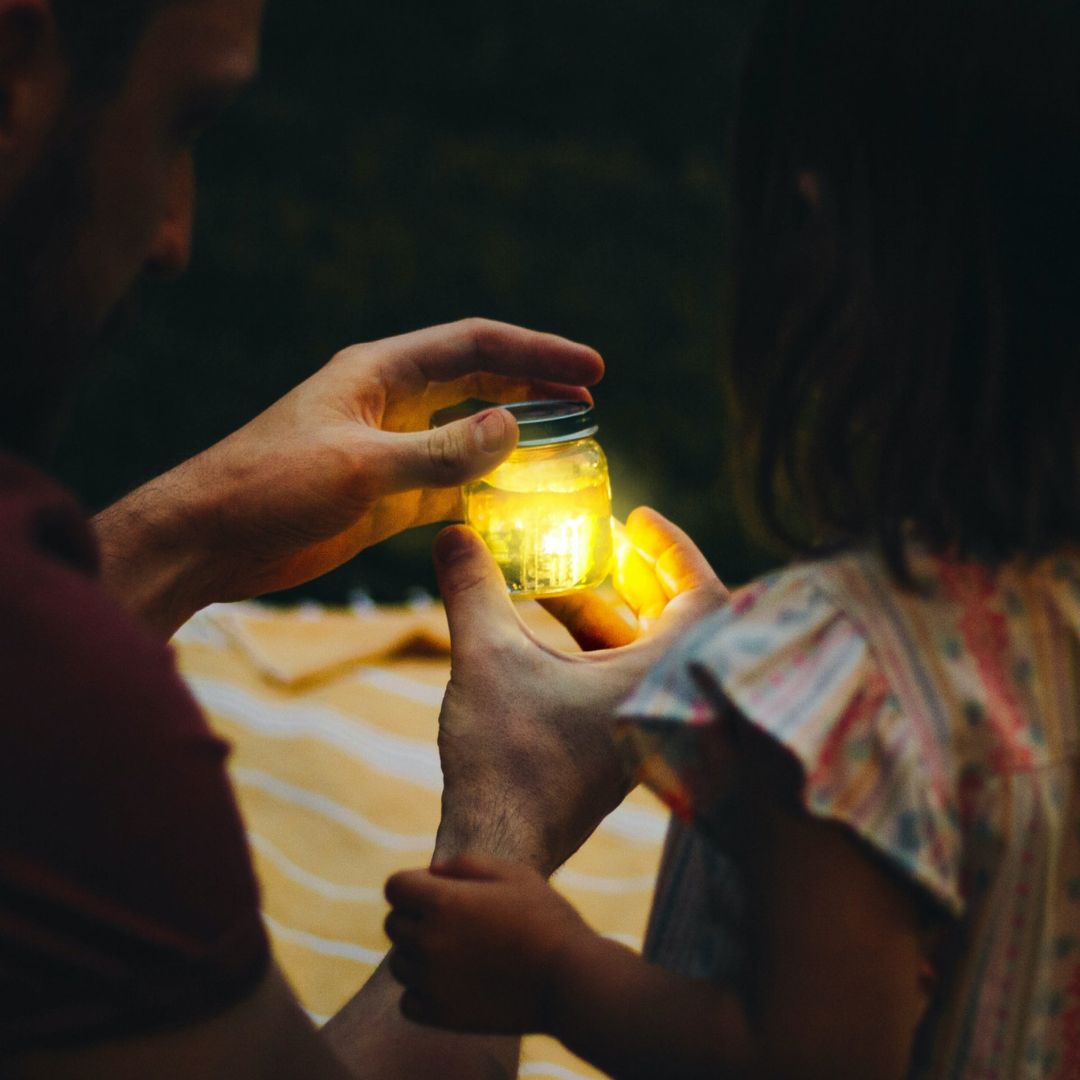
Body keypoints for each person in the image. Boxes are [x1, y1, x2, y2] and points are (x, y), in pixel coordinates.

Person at [0, 0, 729, 1076]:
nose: (175, 238)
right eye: (182, 125)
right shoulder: (98, 744)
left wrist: (187, 535)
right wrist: (506, 824)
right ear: (12, 77)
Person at [384, 1, 1080, 1076]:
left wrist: (551, 970)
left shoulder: (846, 695)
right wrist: (753, 669)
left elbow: (802, 1061)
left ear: (808, 242)